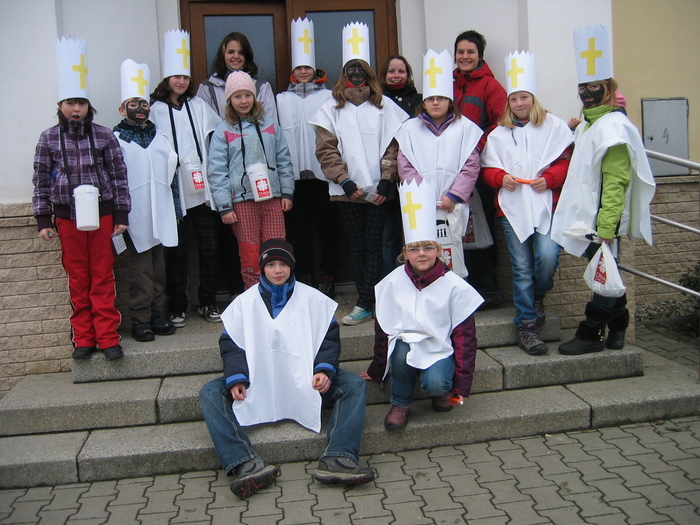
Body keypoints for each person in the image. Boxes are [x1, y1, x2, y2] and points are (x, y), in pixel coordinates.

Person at [198, 239, 375, 499]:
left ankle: (339, 458)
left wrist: (324, 370)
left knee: (354, 385)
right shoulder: (244, 303)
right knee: (210, 392)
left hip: (306, 379)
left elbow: (328, 339)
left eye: (283, 264)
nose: (278, 270)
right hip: (256, 380)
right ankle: (245, 464)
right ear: (262, 268)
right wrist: (236, 378)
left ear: (292, 267)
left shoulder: (313, 299)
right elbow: (232, 344)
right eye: (271, 264)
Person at [552, 25, 655, 355]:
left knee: (602, 271)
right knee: (607, 271)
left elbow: (616, 182)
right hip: (585, 216)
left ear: (608, 89)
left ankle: (591, 332)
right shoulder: (589, 123)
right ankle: (619, 324)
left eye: (594, 86)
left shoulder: (614, 128)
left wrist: (607, 227)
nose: (586, 93)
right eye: (582, 86)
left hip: (601, 220)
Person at [33, 37, 130, 361]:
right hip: (67, 218)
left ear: (89, 106)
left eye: (81, 103)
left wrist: (121, 214)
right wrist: (43, 218)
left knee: (102, 275)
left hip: (102, 215)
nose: (76, 109)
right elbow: (40, 179)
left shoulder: (104, 135)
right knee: (78, 278)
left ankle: (108, 337)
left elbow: (119, 176)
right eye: (70, 103)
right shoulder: (48, 138)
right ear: (60, 104)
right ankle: (84, 338)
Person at [361, 177, 483, 430]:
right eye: (414, 249)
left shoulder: (454, 286)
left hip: (439, 346)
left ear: (438, 250)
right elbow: (383, 329)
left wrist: (461, 386)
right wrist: (377, 369)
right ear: (405, 253)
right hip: (404, 345)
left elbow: (465, 339)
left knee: (437, 383)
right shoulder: (392, 283)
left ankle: (439, 391)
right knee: (400, 353)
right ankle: (401, 403)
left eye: (428, 247)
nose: (422, 254)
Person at [309, 22, 407, 325]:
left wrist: (387, 180)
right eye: (350, 68)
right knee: (357, 246)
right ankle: (367, 301)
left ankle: (369, 301)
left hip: (378, 191)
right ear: (344, 74)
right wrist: (344, 180)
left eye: (360, 68)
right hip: (346, 192)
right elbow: (326, 150)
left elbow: (394, 146)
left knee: (374, 245)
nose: (355, 73)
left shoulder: (384, 106)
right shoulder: (331, 108)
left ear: (368, 72)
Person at [482, 51, 573, 355]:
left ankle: (538, 295)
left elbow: (565, 161)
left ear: (533, 99)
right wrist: (501, 178)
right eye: (514, 99)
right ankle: (527, 325)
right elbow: (488, 168)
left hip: (545, 204)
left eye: (524, 97)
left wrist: (550, 178)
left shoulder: (554, 127)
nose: (519, 103)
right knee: (521, 268)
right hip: (513, 208)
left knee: (547, 256)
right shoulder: (499, 134)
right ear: (508, 103)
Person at [150, 30, 223, 326]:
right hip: (174, 191)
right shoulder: (155, 110)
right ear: (166, 79)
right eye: (175, 76)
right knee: (176, 251)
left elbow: (216, 137)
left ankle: (208, 301)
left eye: (185, 77)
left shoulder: (199, 106)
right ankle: (178, 305)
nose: (181, 81)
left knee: (209, 248)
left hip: (202, 189)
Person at [393, 49, 482, 279]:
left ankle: (454, 289)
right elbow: (405, 165)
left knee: (452, 253)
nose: (435, 103)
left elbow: (471, 166)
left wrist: (453, 196)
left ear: (449, 102)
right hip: (421, 206)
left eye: (441, 98)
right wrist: (423, 196)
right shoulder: (410, 129)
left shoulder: (465, 128)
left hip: (452, 204)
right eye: (431, 99)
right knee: (423, 253)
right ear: (424, 103)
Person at [208, 71, 294, 289]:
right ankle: (254, 295)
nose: (243, 101)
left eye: (247, 95)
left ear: (254, 97)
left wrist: (287, 192)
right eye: (237, 96)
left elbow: (284, 160)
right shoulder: (223, 130)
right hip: (242, 201)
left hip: (272, 198)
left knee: (276, 249)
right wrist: (224, 206)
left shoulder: (270, 125)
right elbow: (217, 170)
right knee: (250, 252)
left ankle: (279, 294)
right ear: (229, 100)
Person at [114, 59, 178, 343]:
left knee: (158, 267)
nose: (139, 109)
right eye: (133, 104)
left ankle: (157, 314)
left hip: (160, 213)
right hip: (133, 216)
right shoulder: (116, 139)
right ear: (122, 109)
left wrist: (176, 210)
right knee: (139, 270)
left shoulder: (160, 136)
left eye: (143, 103)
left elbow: (172, 175)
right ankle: (140, 319)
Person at [276, 18, 338, 295]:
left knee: (327, 229)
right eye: (299, 68)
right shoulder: (282, 99)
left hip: (323, 176)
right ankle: (304, 276)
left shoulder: (328, 97)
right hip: (293, 178)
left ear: (314, 70)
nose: (303, 72)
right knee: (298, 230)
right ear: (293, 72)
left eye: (307, 68)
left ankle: (329, 275)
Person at [453, 30, 507, 308]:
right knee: (455, 227)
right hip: (450, 168)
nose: (465, 56)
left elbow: (501, 122)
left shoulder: (490, 86)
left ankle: (488, 289)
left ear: (480, 56)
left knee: (480, 228)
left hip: (479, 169)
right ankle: (462, 288)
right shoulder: (447, 84)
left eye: (470, 52)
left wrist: (476, 146)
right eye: (460, 52)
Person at [378, 54, 422, 277]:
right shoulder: (376, 101)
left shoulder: (421, 102)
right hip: (386, 179)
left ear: (408, 74)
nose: (396, 75)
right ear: (384, 75)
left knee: (418, 234)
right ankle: (391, 282)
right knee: (389, 236)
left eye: (401, 71)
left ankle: (419, 278)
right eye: (391, 71)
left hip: (415, 177)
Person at [197, 31, 277, 123]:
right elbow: (203, 124)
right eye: (231, 52)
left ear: (247, 56)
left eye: (241, 53)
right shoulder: (207, 88)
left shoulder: (262, 86)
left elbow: (271, 124)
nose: (236, 56)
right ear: (223, 54)